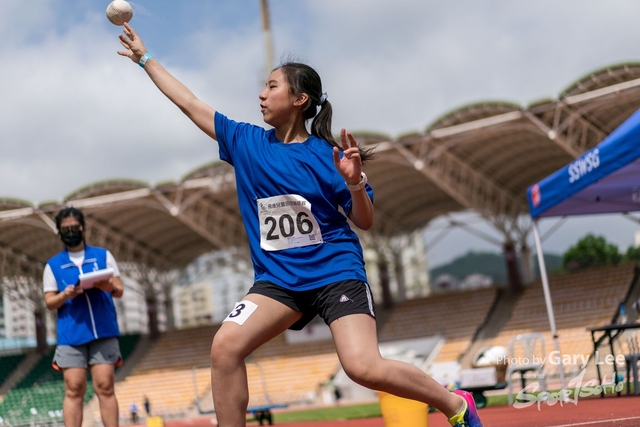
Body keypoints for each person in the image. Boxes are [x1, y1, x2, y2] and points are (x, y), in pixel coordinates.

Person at [116, 23, 483, 427]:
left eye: (272, 86)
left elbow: (364, 221)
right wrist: (145, 59)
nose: (261, 93)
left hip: (335, 273)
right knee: (225, 347)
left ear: (299, 99)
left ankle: (455, 404)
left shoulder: (328, 156)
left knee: (362, 368)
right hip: (279, 282)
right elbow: (189, 103)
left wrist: (355, 182)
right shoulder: (245, 141)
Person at [43, 207, 124, 427]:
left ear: (83, 228)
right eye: (65, 229)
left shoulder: (103, 255)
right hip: (71, 334)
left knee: (105, 386)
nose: (71, 232)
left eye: (75, 227)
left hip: (103, 330)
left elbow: (119, 289)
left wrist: (107, 286)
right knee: (74, 389)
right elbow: (49, 302)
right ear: (59, 232)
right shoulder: (53, 265)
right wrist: (65, 295)